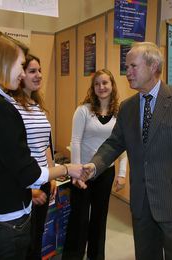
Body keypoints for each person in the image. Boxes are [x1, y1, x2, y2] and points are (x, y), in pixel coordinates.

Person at [0, 31, 86, 260]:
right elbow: (29, 174)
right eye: (21, 65)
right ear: (2, 62)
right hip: (6, 217)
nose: (22, 73)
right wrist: (68, 169)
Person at [83, 42, 172, 260]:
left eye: (133, 66)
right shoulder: (128, 107)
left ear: (153, 66)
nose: (127, 73)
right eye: (126, 67)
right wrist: (94, 165)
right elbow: (114, 143)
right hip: (141, 202)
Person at [62, 69, 128, 260]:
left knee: (99, 218)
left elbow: (121, 146)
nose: (101, 87)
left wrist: (122, 174)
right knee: (79, 218)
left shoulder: (119, 114)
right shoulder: (83, 110)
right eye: (97, 84)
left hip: (105, 172)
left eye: (105, 83)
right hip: (82, 171)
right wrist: (75, 171)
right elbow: (75, 141)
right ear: (93, 87)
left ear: (112, 85)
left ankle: (96, 256)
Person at [9, 54, 58, 260]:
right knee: (26, 242)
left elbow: (45, 144)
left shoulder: (38, 106)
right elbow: (13, 152)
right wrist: (32, 188)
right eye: (32, 71)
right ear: (21, 75)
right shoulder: (12, 106)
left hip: (43, 178)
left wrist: (52, 174)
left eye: (39, 71)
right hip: (27, 183)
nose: (38, 75)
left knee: (37, 237)